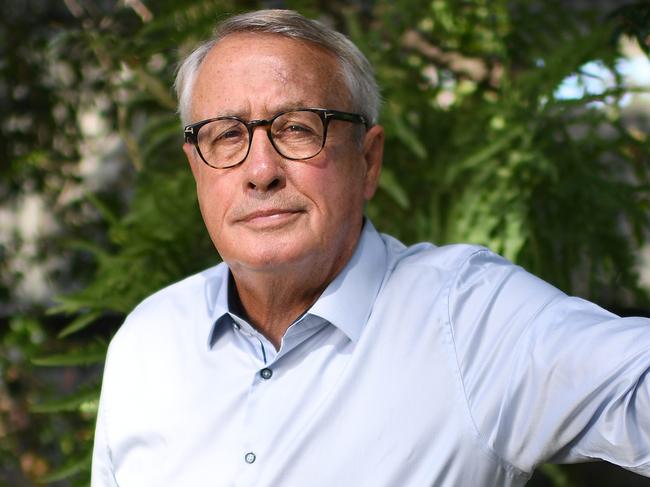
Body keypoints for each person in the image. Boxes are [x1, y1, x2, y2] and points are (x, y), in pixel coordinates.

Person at [91, 9, 650, 487]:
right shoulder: (147, 343)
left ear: (368, 160)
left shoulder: (470, 318)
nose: (260, 171)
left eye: (297, 129)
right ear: (197, 168)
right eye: (228, 135)